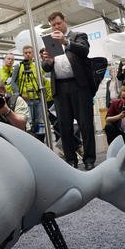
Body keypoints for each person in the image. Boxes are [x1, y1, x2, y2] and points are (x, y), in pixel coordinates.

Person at [42, 11, 96, 171]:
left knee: (85, 124)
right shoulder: (50, 43)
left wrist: (65, 41)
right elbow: (46, 68)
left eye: (58, 23)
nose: (56, 27)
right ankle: (71, 160)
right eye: (53, 25)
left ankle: (89, 159)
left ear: (64, 21)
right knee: (64, 127)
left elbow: (84, 51)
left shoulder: (78, 36)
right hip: (59, 87)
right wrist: (48, 61)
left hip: (79, 86)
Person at [11, 45, 52, 140]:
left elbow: (43, 80)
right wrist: (19, 95)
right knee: (27, 123)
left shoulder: (38, 66)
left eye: (30, 53)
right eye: (26, 53)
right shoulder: (18, 66)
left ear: (33, 54)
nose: (28, 55)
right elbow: (13, 82)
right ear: (23, 54)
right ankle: (29, 141)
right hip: (25, 100)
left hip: (38, 99)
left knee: (41, 122)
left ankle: (41, 142)